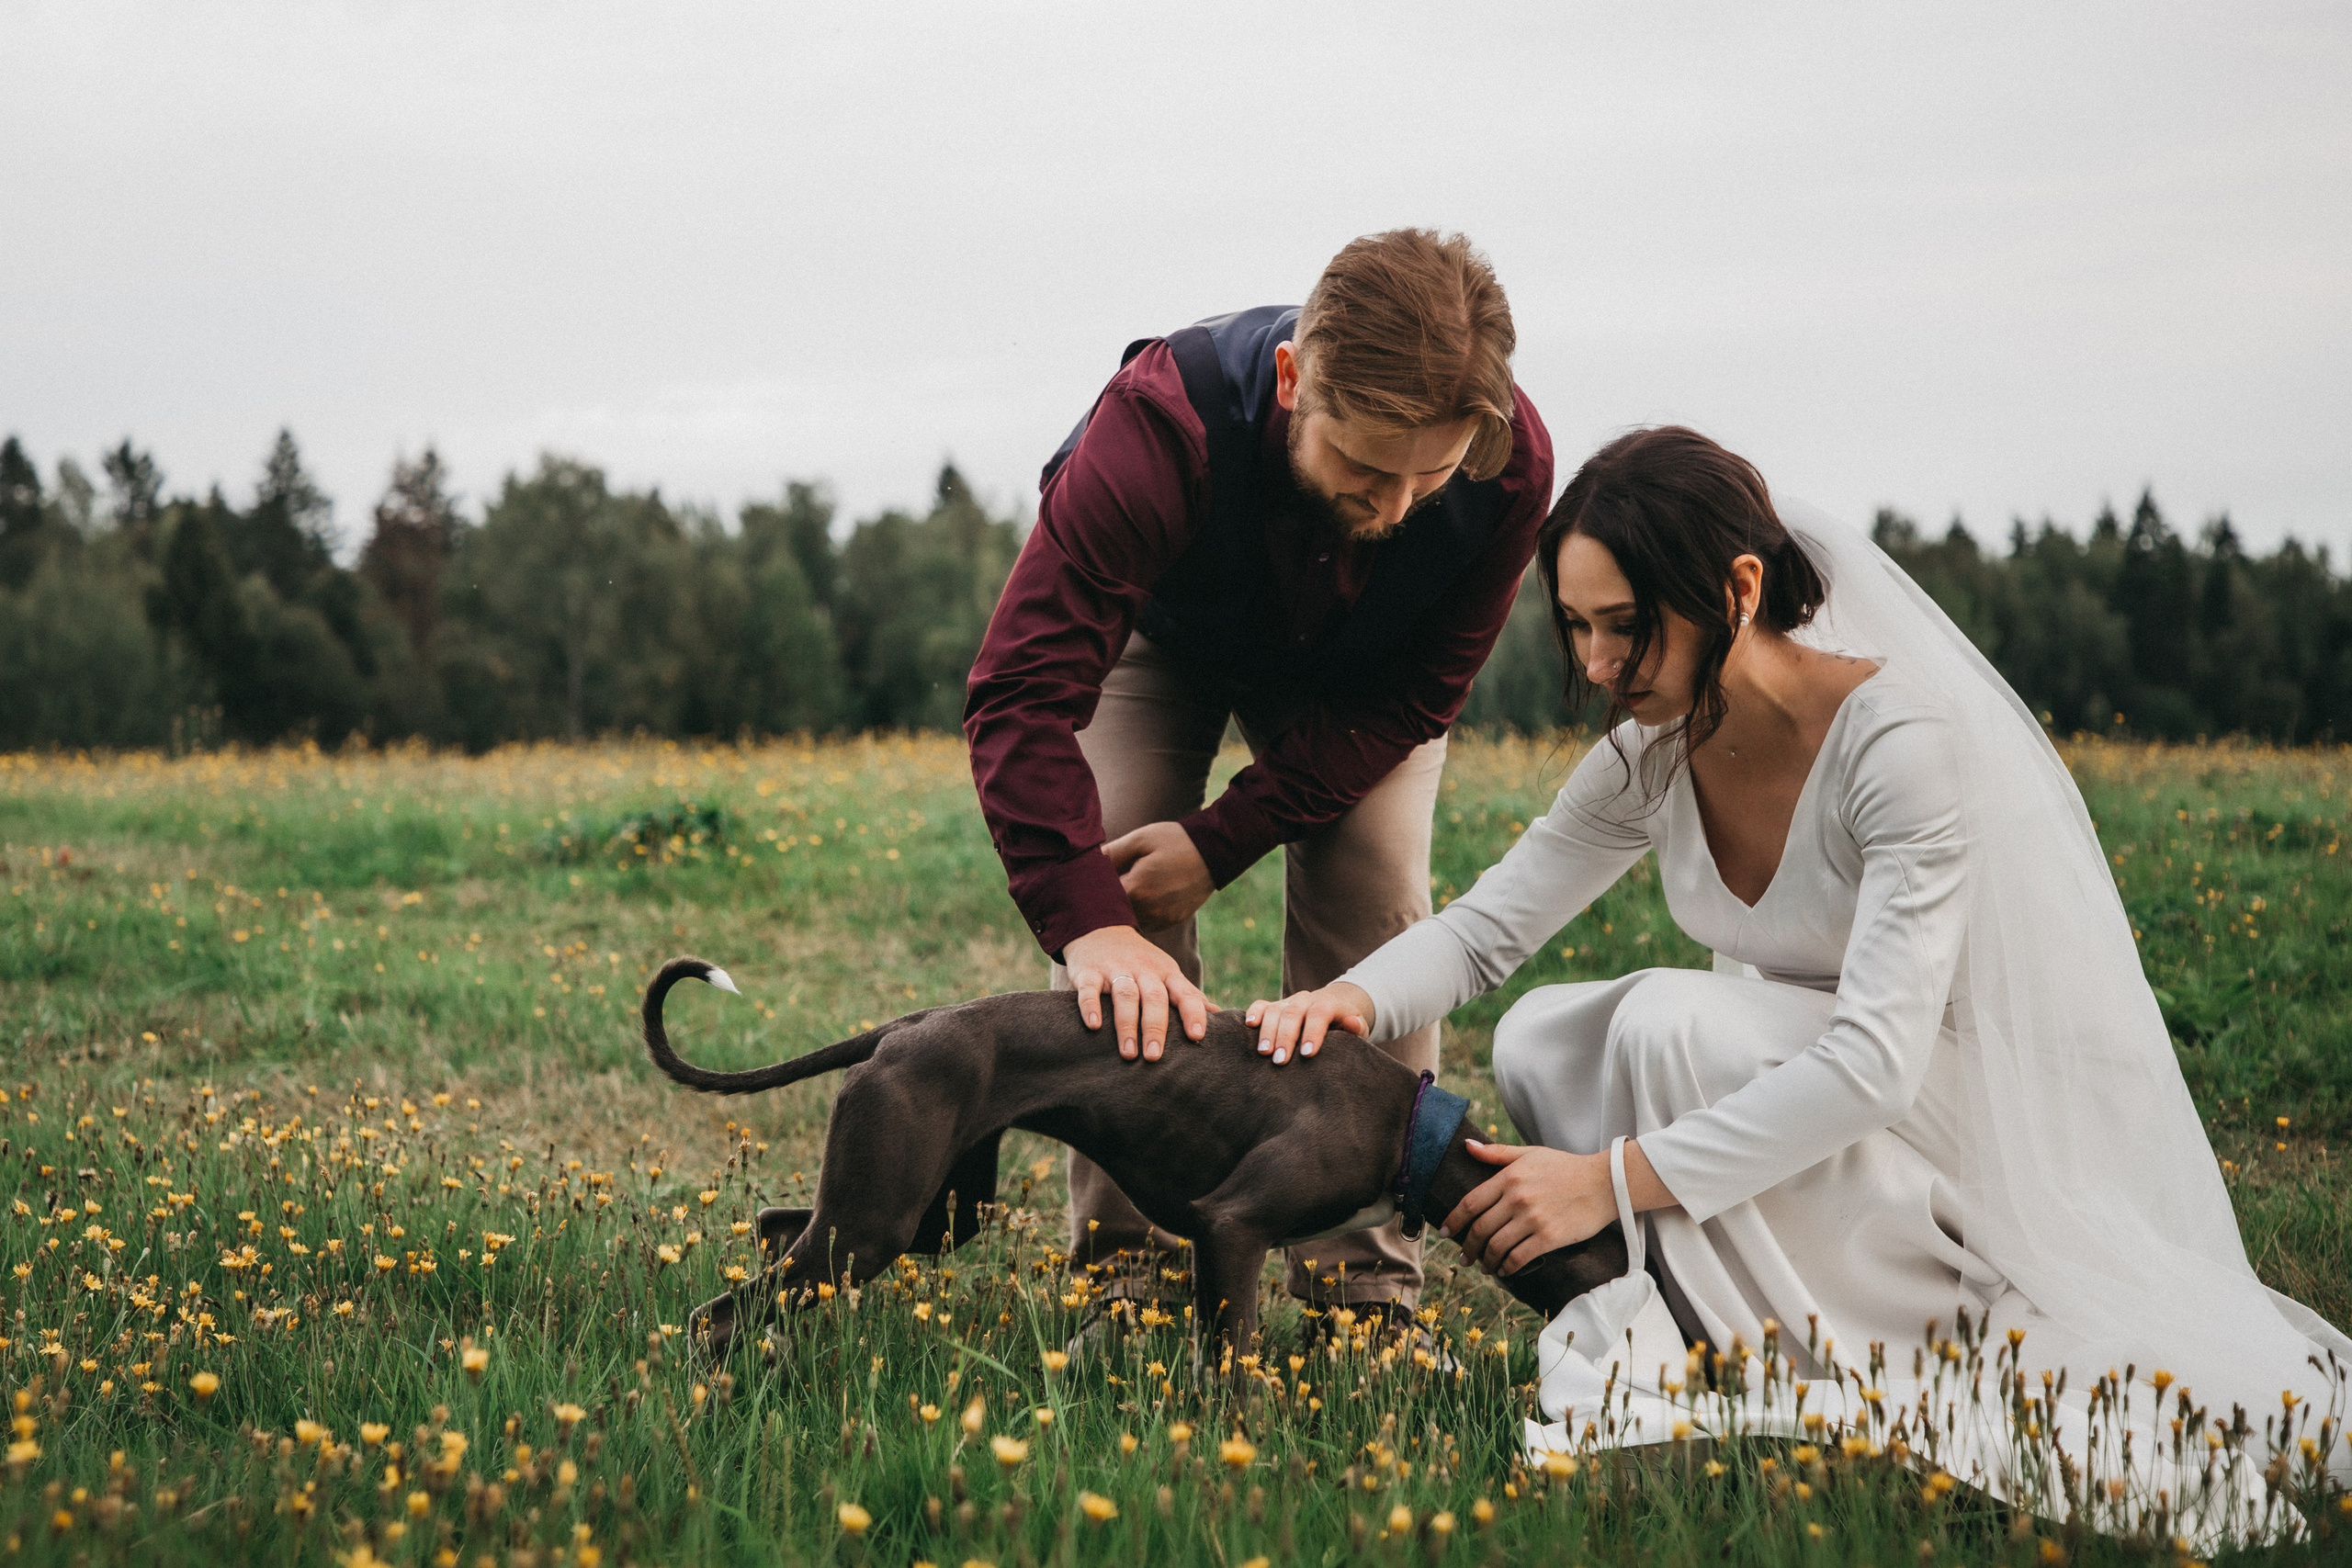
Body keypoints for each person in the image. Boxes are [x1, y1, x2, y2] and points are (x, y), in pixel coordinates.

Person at [1247, 426, 2351, 1530]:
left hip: (1959, 1127)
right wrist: (1344, 1001)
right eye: (1575, 626)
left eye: (1625, 627)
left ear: (1737, 587)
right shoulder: (1651, 750)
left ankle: (1851, 1320)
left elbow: (1873, 1065)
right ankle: (1713, 1297)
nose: (1592, 665)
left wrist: (1604, 1182)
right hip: (1804, 1092)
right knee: (1544, 1034)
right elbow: (1490, 924)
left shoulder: (1897, 746)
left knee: (1667, 1022)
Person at [964, 229, 1554, 1325]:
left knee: (1375, 899)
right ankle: (1123, 1267)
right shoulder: (1155, 425)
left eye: (1427, 478)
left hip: (1362, 685)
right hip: (1166, 634)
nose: (1392, 508)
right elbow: (1020, 692)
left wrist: (1228, 834)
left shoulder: (1507, 463)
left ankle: (1362, 1282)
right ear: (1292, 382)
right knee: (1116, 888)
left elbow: (1419, 696)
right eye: (1365, 469)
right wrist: (1088, 922)